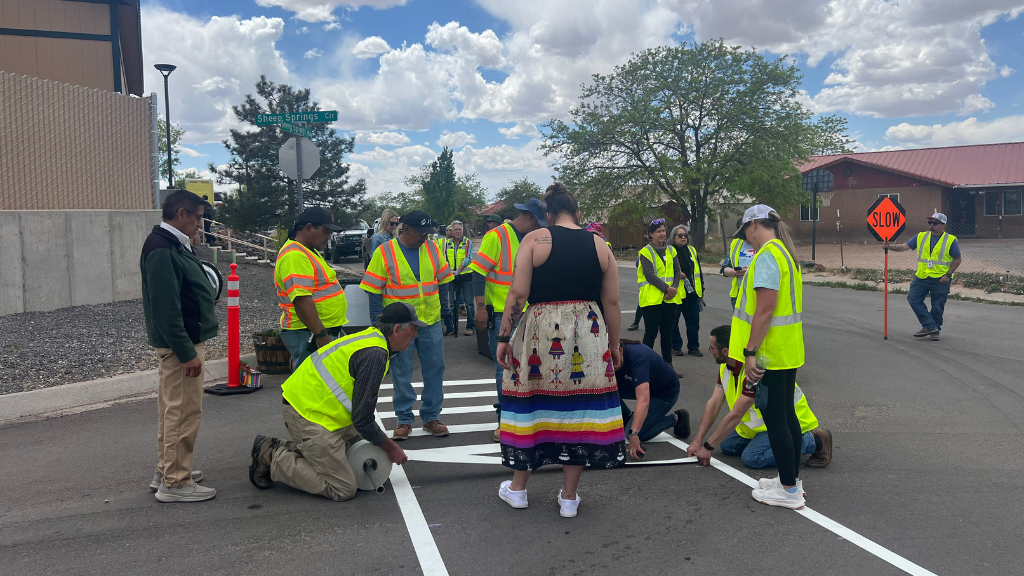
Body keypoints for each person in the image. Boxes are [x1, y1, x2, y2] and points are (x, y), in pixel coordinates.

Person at [494, 183, 626, 518]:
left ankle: (519, 490)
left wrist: (503, 337)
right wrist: (614, 343)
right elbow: (612, 300)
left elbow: (518, 294)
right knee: (580, 410)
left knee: (532, 404)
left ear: (547, 214)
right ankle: (569, 497)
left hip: (541, 329)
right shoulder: (600, 244)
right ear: (577, 213)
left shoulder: (535, 240)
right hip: (589, 331)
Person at [248, 303, 420, 500]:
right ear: (397, 329)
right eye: (414, 329)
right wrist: (391, 447)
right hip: (306, 414)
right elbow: (363, 419)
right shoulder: (375, 355)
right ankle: (273, 458)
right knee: (343, 488)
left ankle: (282, 447)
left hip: (316, 408)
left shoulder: (372, 337)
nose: (415, 335)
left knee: (353, 451)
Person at [727, 204, 807, 509]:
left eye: (746, 231)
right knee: (786, 415)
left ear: (755, 225)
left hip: (769, 353)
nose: (746, 239)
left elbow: (765, 310)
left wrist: (750, 353)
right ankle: (791, 479)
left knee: (776, 419)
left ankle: (789, 491)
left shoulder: (768, 257)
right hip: (786, 350)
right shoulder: (785, 254)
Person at [141, 190, 218, 502]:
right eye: (198, 217)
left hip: (182, 342)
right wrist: (187, 353)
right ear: (182, 213)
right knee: (183, 413)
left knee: (173, 411)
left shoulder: (171, 244)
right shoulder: (163, 248)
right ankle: (175, 483)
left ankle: (167, 470)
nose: (200, 224)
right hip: (181, 346)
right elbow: (165, 309)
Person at [360, 211, 454, 440]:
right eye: (422, 233)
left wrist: (446, 311)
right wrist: (378, 321)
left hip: (429, 320)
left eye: (428, 233)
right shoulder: (385, 251)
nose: (426, 237)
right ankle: (404, 420)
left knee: (435, 368)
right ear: (406, 229)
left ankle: (431, 416)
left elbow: (443, 282)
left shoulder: (431, 248)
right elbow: (373, 289)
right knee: (401, 372)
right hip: (399, 326)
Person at [688, 325, 832, 470]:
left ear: (725, 351)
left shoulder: (754, 371)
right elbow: (714, 403)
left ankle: (814, 440)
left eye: (711, 348)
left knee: (752, 458)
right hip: (759, 426)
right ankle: (764, 443)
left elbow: (737, 414)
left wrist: (708, 446)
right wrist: (697, 440)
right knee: (727, 446)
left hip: (785, 423)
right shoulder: (726, 367)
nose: (710, 351)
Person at [471, 199, 546, 442]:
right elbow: (478, 273)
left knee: (528, 366)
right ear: (532, 218)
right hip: (501, 314)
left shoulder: (528, 239)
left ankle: (525, 417)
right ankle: (505, 421)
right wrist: (480, 308)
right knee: (504, 367)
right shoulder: (497, 236)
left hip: (527, 312)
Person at [274, 207, 349, 370]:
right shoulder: (295, 256)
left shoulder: (307, 251)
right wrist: (320, 334)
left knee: (320, 385)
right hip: (309, 333)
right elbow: (302, 301)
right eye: (325, 231)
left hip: (316, 331)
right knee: (308, 387)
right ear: (308, 228)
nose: (328, 237)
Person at [883, 212, 961, 341]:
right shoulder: (921, 236)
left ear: (943, 225)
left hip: (941, 278)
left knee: (937, 306)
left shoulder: (950, 239)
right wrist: (889, 247)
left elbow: (957, 259)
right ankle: (930, 326)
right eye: (930, 222)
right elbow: (904, 247)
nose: (931, 225)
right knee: (913, 299)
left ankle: (934, 331)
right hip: (922, 276)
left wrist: (948, 275)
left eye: (935, 223)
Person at [615, 340, 691, 459]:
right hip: (632, 386)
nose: (611, 364)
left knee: (630, 433)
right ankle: (628, 416)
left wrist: (634, 434)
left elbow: (644, 400)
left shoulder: (639, 358)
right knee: (602, 389)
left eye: (614, 359)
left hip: (663, 393)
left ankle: (677, 418)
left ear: (620, 350)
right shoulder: (600, 361)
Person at [637, 219, 683, 375]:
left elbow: (677, 272)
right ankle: (644, 366)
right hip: (651, 301)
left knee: (667, 333)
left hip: (670, 299)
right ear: (651, 234)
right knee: (650, 334)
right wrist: (667, 289)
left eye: (664, 230)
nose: (662, 233)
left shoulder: (671, 250)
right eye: (659, 231)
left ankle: (668, 366)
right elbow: (649, 275)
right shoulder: (645, 252)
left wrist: (673, 289)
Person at [670, 225, 704, 357]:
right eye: (680, 235)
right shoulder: (670, 251)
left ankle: (693, 347)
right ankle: (676, 346)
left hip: (692, 293)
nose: (683, 237)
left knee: (693, 321)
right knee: (674, 322)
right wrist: (678, 274)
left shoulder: (691, 250)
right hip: (677, 293)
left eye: (685, 235)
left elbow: (698, 271)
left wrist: (702, 289)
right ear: (673, 237)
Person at [445, 220, 477, 336]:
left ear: (462, 230)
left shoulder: (467, 242)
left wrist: (458, 271)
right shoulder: (448, 243)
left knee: (469, 303)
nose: (458, 231)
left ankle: (471, 327)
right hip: (452, 276)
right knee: (453, 303)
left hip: (466, 276)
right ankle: (453, 327)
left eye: (460, 229)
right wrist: (450, 271)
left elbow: (468, 258)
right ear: (452, 231)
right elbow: (445, 259)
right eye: (455, 229)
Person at [722, 218, 755, 307]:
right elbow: (725, 268)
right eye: (742, 236)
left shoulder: (765, 244)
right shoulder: (735, 244)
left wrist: (752, 271)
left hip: (757, 294)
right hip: (739, 295)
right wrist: (733, 272)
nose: (747, 239)